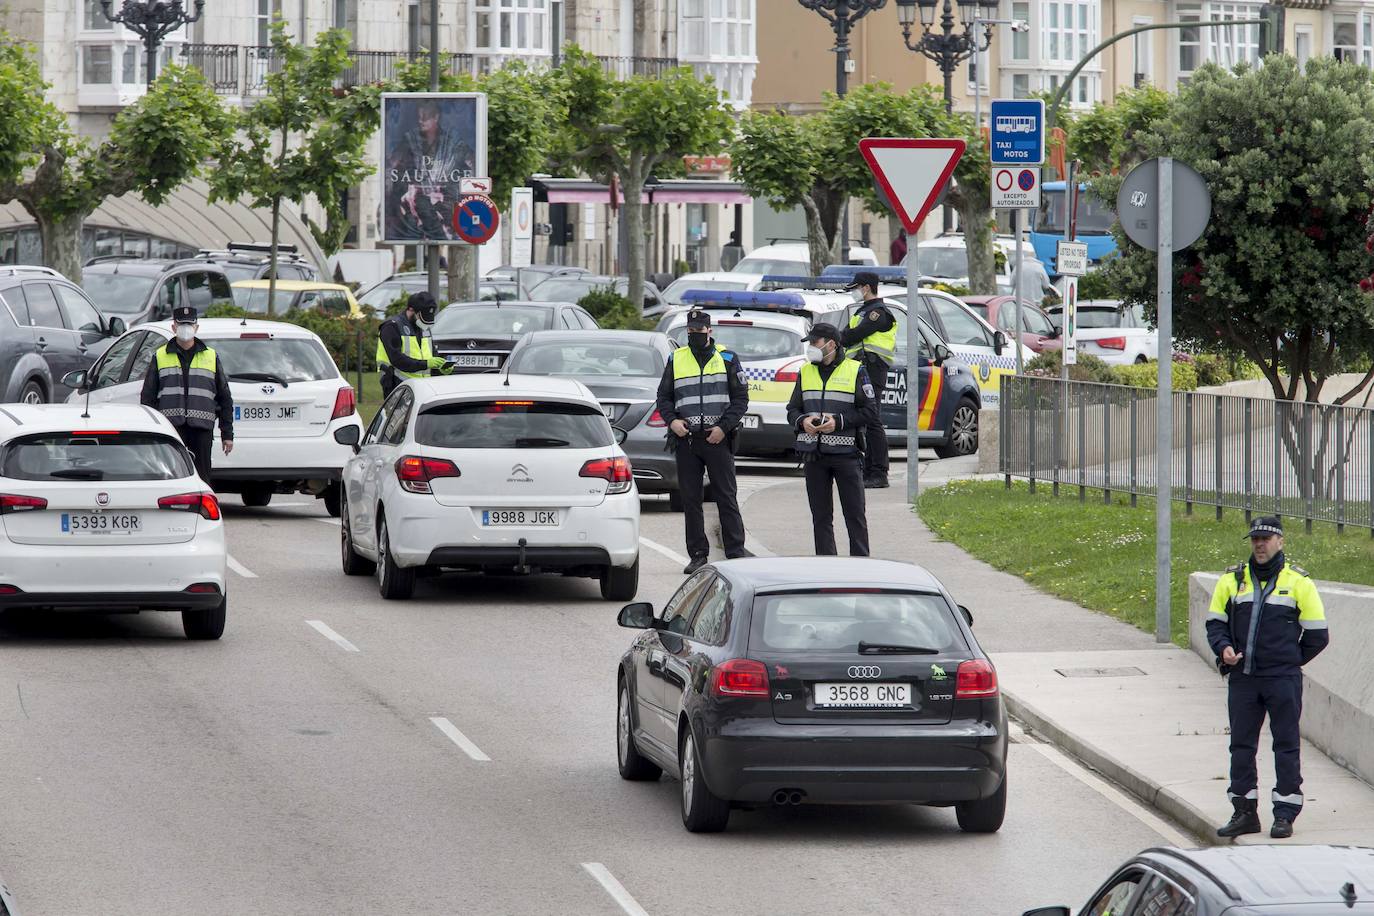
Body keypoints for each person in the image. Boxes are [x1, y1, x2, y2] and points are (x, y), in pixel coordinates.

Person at [1207, 516, 1329, 840]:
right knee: (1241, 746)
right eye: (1255, 539)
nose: (1259, 545)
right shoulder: (1232, 580)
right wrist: (1224, 649)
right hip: (1244, 678)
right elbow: (1215, 624)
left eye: (1266, 539)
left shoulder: (1299, 582)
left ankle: (1285, 814)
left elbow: (1318, 634)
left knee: (1286, 745)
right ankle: (1244, 812)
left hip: (1282, 680)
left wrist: (1289, 660)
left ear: (1280, 542)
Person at [655, 309, 752, 574]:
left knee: (726, 497)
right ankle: (698, 554)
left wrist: (723, 427)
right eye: (690, 332)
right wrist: (672, 421)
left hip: (717, 439)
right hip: (687, 440)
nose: (694, 336)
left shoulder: (728, 359)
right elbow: (663, 397)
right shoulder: (676, 359)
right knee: (691, 500)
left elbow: (740, 400)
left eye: (699, 331)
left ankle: (735, 553)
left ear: (709, 331)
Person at [787, 322, 879, 557]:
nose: (811, 348)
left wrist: (839, 421)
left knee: (855, 515)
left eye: (814, 343)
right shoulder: (806, 371)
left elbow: (870, 411)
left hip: (846, 457)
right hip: (814, 456)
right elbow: (792, 409)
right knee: (820, 517)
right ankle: (826, 565)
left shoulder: (855, 370)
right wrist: (801, 422)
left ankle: (860, 565)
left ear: (831, 344)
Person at [140, 306, 234, 483]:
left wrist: (227, 434)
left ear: (196, 327)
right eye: (181, 323)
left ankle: (202, 510)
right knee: (171, 476)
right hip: (171, 430)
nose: (185, 327)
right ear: (174, 327)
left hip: (202, 429)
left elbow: (224, 397)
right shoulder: (160, 356)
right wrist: (152, 431)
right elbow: (148, 398)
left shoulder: (211, 356)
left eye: (189, 324)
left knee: (203, 477)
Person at [384, 98, 477, 240]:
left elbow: (471, 160)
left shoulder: (451, 139)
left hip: (445, 199)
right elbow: (392, 163)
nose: (421, 121)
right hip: (417, 198)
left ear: (436, 118)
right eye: (419, 117)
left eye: (425, 117)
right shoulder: (410, 138)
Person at [838, 271, 896, 489]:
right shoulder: (863, 311)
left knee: (873, 421)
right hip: (860, 370)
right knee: (864, 420)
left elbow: (852, 335)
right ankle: (867, 469)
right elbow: (848, 334)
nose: (854, 292)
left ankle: (879, 472)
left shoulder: (878, 313)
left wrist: (840, 336)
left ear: (866, 288)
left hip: (873, 368)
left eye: (856, 287)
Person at [376, 291, 452, 398]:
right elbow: (397, 359)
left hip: (424, 388)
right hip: (398, 387)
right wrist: (426, 364)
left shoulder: (423, 327)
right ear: (411, 309)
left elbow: (431, 354)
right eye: (421, 316)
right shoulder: (391, 327)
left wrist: (441, 367)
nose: (424, 321)